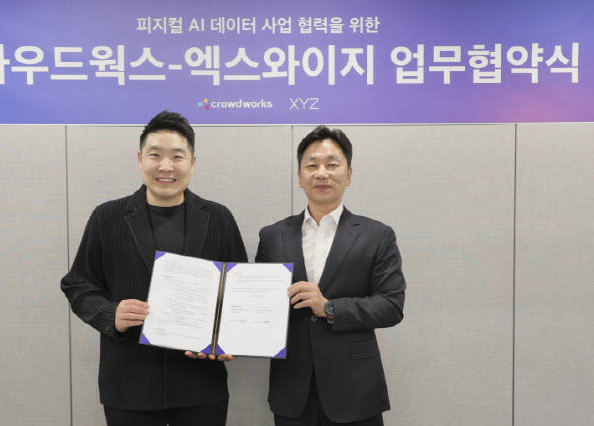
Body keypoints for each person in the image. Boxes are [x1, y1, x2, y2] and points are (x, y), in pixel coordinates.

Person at [61, 110, 247, 426]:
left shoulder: (219, 219)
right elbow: (78, 283)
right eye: (155, 155)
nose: (166, 166)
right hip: (129, 383)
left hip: (201, 384)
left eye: (177, 156)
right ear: (140, 159)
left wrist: (229, 340)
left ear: (192, 162)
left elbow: (238, 292)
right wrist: (110, 314)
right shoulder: (107, 217)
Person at [255, 126, 406, 426]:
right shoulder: (272, 235)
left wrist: (329, 307)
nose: (321, 173)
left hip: (354, 388)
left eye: (332, 164)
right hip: (292, 388)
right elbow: (259, 304)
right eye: (311, 165)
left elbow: (391, 306)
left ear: (348, 174)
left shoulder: (377, 235)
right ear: (299, 176)